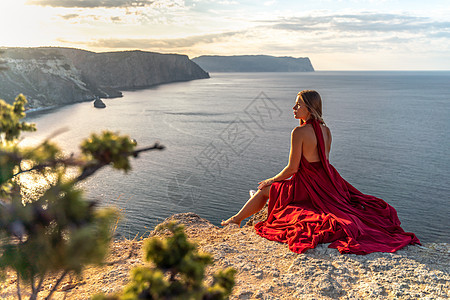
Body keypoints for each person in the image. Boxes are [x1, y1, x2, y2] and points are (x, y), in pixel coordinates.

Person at [221, 90, 420, 254]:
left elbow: (292, 168)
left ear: (310, 108)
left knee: (266, 190)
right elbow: (324, 160)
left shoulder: (298, 132)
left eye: (298, 105)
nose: (294, 108)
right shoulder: (326, 130)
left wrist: (270, 180)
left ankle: (236, 219)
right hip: (329, 182)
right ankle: (237, 219)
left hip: (308, 184)